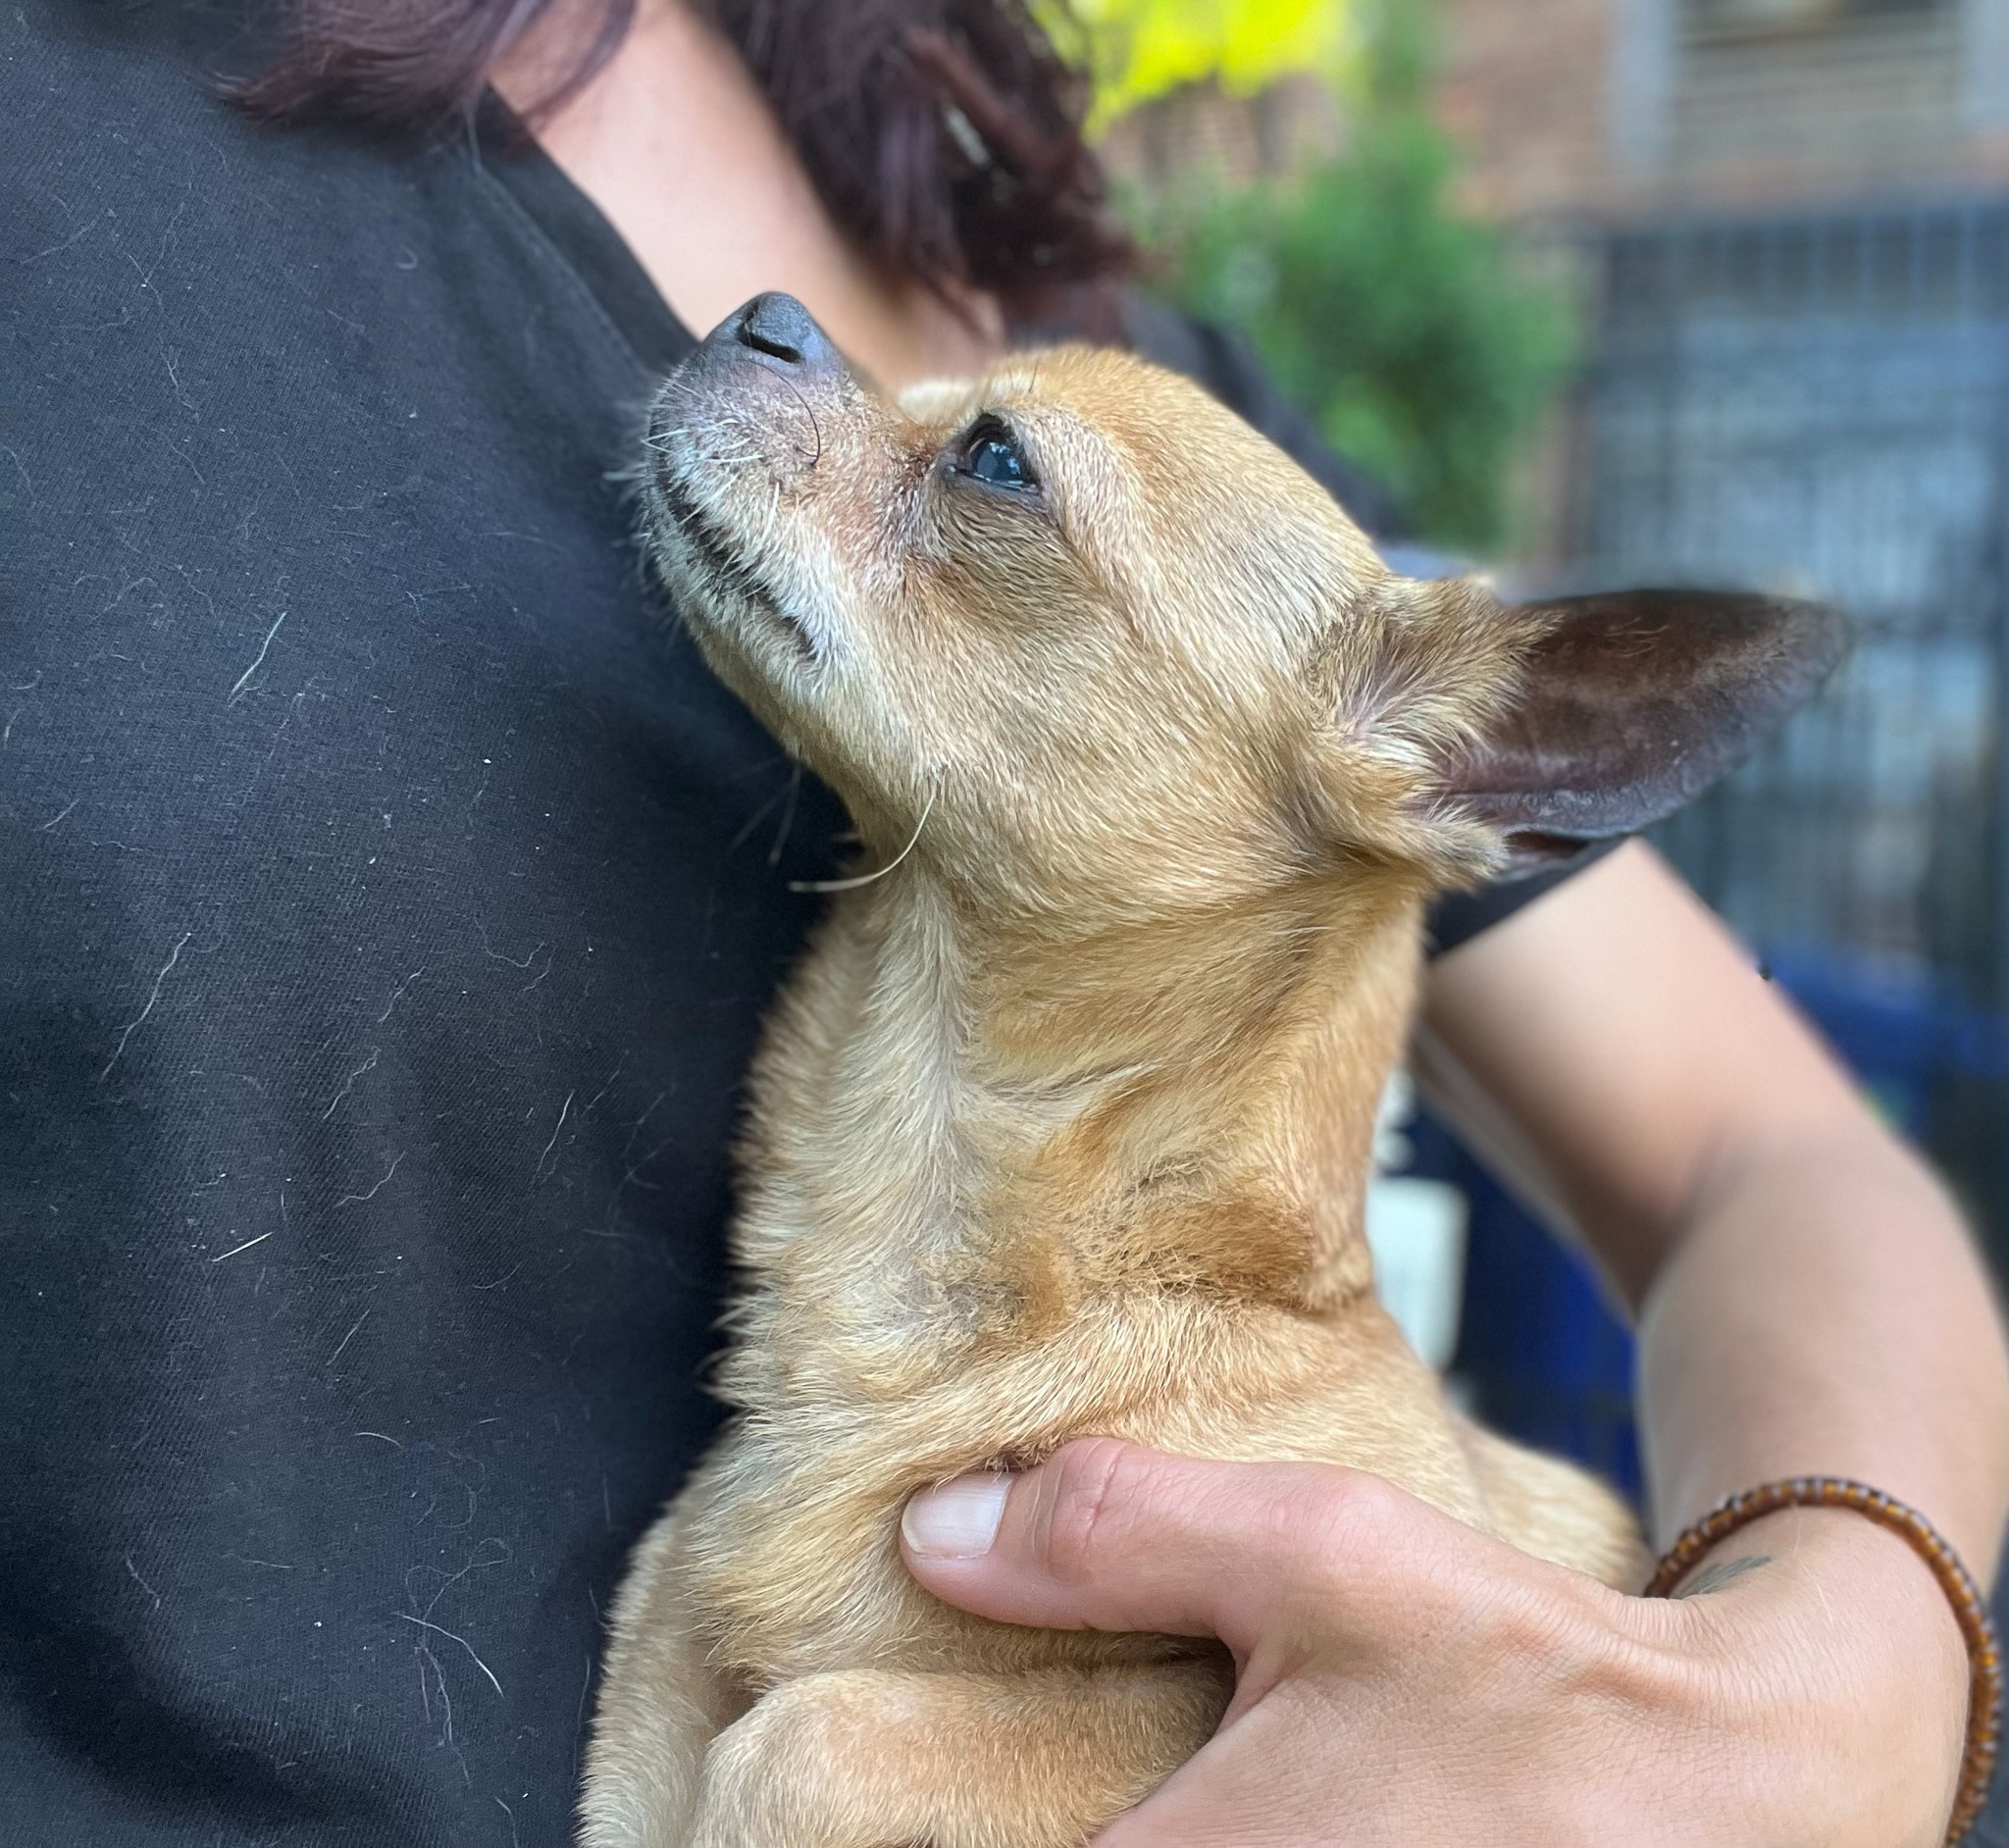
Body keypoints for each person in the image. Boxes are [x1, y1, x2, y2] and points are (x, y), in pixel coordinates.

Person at [3, 0, 2004, 1842]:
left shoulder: (1158, 419)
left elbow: (1773, 1150)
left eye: (980, 464)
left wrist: (1828, 1689)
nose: (814, 368)